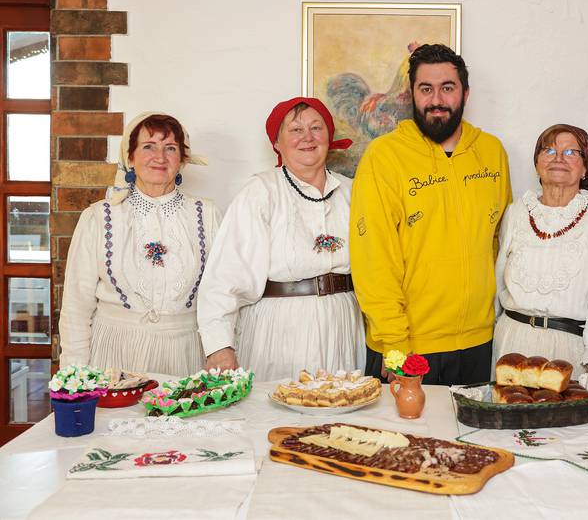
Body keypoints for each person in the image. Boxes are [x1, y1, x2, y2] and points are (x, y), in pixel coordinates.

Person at [350, 43, 512, 385]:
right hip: (407, 346)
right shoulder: (384, 157)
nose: (436, 99)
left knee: (473, 439)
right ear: (412, 95)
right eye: (426, 89)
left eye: (447, 88)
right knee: (403, 440)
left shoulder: (492, 152)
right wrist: (394, 348)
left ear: (465, 94)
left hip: (478, 342)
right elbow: (373, 258)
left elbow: (500, 242)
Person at [197, 97, 365, 380]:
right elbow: (226, 275)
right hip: (280, 329)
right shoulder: (261, 191)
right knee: (280, 415)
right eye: (295, 130)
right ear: (277, 142)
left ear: (329, 136)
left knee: (343, 413)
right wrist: (219, 346)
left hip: (344, 325)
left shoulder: (353, 192)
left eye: (316, 128)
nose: (307, 138)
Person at [58, 112, 221, 376]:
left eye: (170, 148)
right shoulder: (99, 217)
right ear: (130, 157)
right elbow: (77, 306)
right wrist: (74, 377)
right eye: (148, 147)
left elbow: (222, 294)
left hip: (185, 357)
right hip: (114, 357)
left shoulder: (207, 214)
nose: (160, 157)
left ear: (182, 160)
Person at [493, 125, 588, 384]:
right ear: (537, 164)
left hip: (571, 351)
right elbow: (497, 280)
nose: (558, 158)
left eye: (571, 152)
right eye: (549, 150)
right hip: (511, 343)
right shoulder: (515, 213)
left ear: (584, 168)